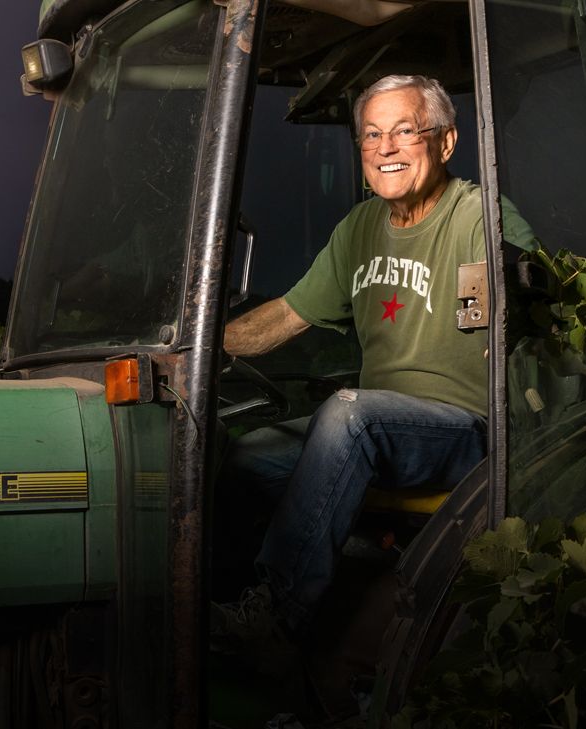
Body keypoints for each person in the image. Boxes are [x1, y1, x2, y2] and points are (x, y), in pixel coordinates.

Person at [215, 74, 534, 652]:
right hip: (380, 429)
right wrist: (200, 350)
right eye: (371, 135)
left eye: (404, 131)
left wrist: (509, 287)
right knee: (245, 456)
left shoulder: (478, 217)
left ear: (445, 142)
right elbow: (287, 315)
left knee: (346, 415)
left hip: (465, 429)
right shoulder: (358, 229)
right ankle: (226, 606)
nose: (384, 148)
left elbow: (530, 295)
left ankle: (276, 618)